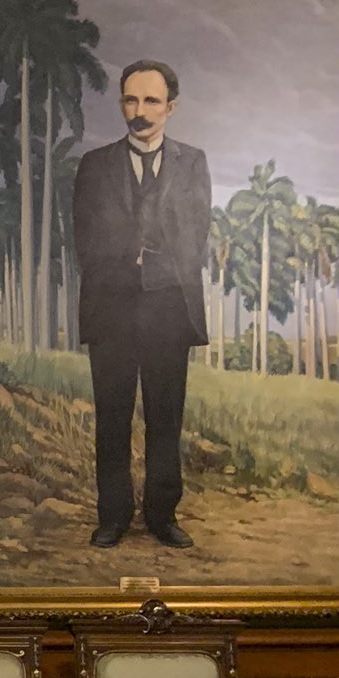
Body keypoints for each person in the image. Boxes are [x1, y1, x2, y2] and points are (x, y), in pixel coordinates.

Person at [72, 59, 212, 552]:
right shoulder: (95, 165)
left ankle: (161, 516)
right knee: (112, 418)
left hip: (169, 311)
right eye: (131, 100)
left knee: (165, 418)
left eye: (152, 101)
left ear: (171, 107)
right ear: (121, 104)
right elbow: (84, 239)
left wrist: (153, 263)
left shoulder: (192, 163)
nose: (140, 110)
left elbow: (196, 236)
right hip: (111, 309)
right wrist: (128, 256)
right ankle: (112, 517)